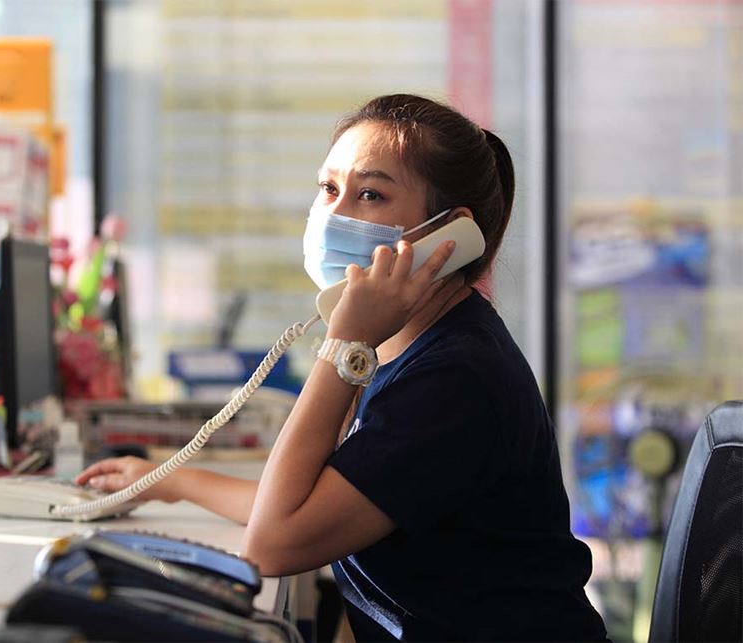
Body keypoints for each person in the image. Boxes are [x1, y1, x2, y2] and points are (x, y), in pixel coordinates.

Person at [77, 94, 608, 642]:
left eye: (370, 194)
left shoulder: (453, 379)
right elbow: (312, 500)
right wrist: (169, 481)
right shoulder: (413, 345)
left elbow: (273, 543)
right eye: (330, 189)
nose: (333, 215)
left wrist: (344, 343)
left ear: (447, 236)